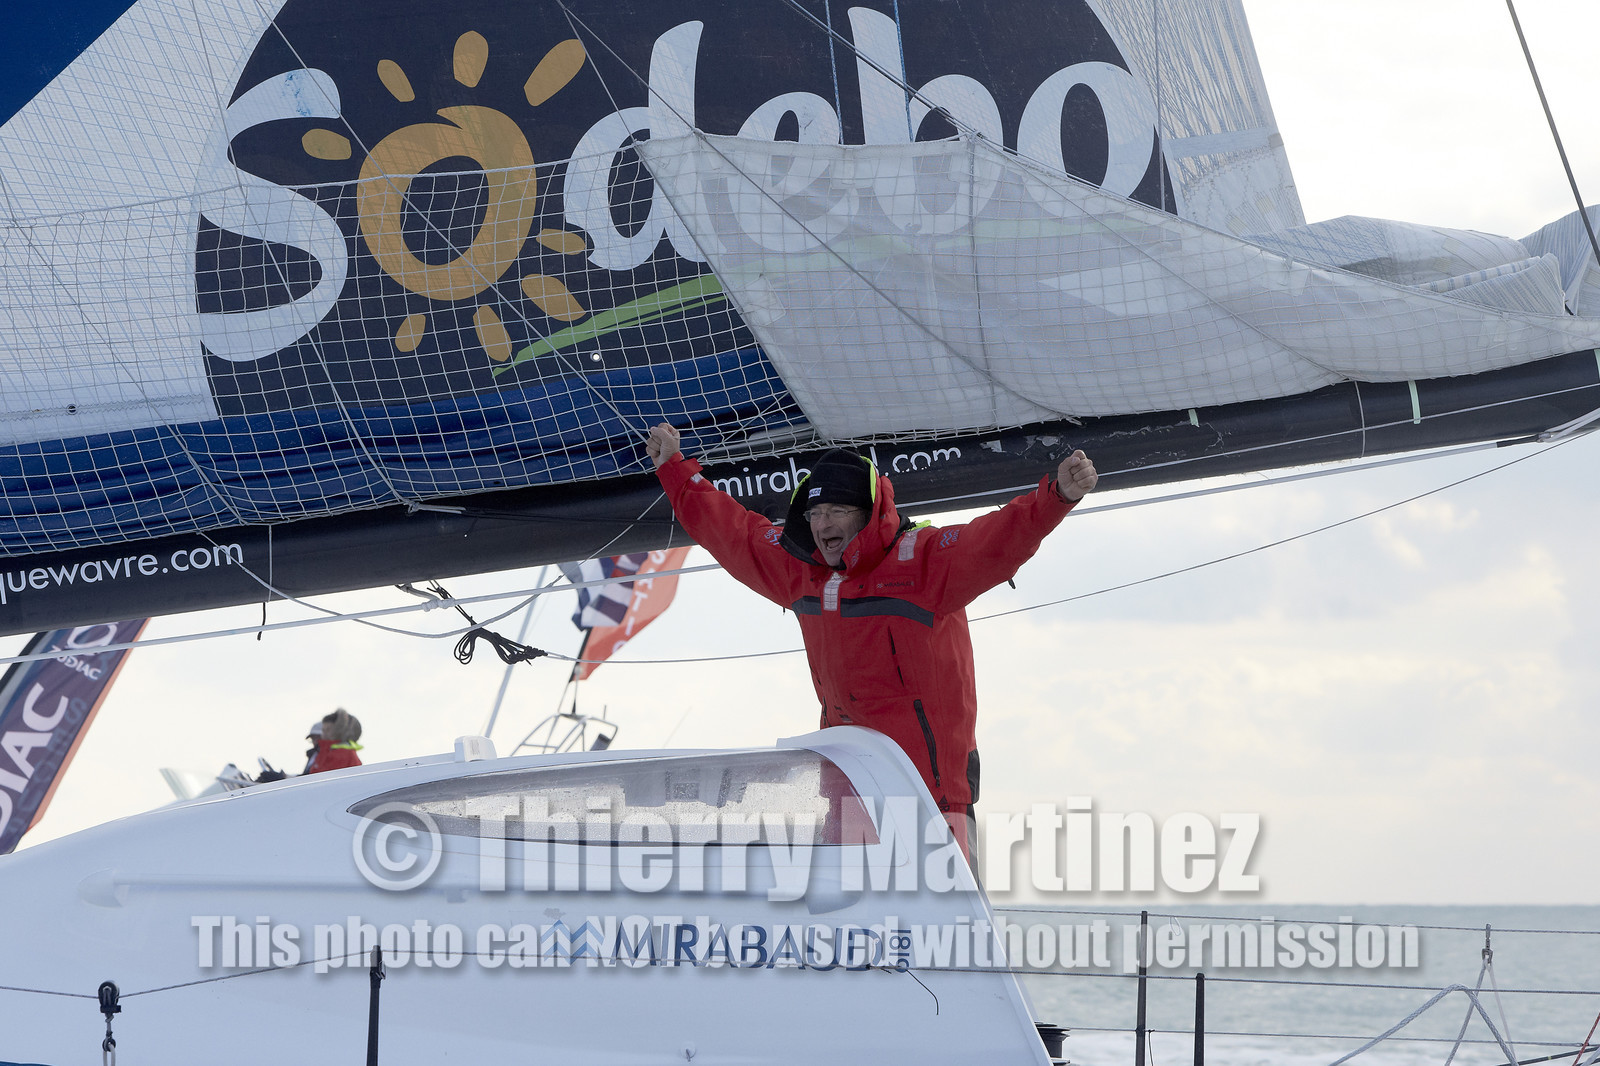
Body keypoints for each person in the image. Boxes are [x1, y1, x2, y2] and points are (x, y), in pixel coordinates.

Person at [647, 423, 1097, 857]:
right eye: (815, 513)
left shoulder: (923, 561)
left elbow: (996, 538)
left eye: (838, 511)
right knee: (852, 927)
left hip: (931, 798)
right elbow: (731, 531)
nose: (823, 524)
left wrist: (1057, 496)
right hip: (850, 791)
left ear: (867, 514)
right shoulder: (801, 570)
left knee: (946, 931)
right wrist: (673, 468)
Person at [304, 708, 363, 774]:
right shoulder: (325, 750)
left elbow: (326, 777)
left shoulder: (343, 753)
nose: (325, 734)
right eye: (323, 730)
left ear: (338, 731)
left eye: (328, 729)